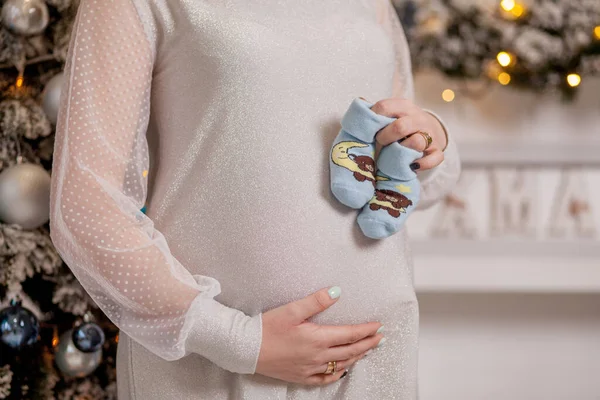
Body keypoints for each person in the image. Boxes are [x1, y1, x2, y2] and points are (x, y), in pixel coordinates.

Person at [48, 0, 461, 399]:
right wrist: (237, 341)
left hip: (377, 358)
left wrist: (428, 139)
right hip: (211, 367)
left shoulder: (374, 5)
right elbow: (85, 205)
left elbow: (406, 176)